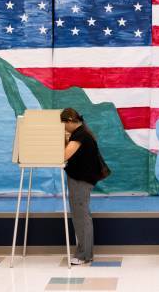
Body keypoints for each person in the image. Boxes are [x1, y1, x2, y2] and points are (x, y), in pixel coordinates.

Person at [61, 108, 104, 265]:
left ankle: (84, 255)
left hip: (81, 180)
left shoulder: (80, 135)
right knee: (80, 215)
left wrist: (63, 139)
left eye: (64, 124)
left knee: (81, 216)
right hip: (80, 179)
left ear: (71, 120)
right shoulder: (81, 133)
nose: (64, 128)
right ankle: (83, 253)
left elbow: (65, 155)